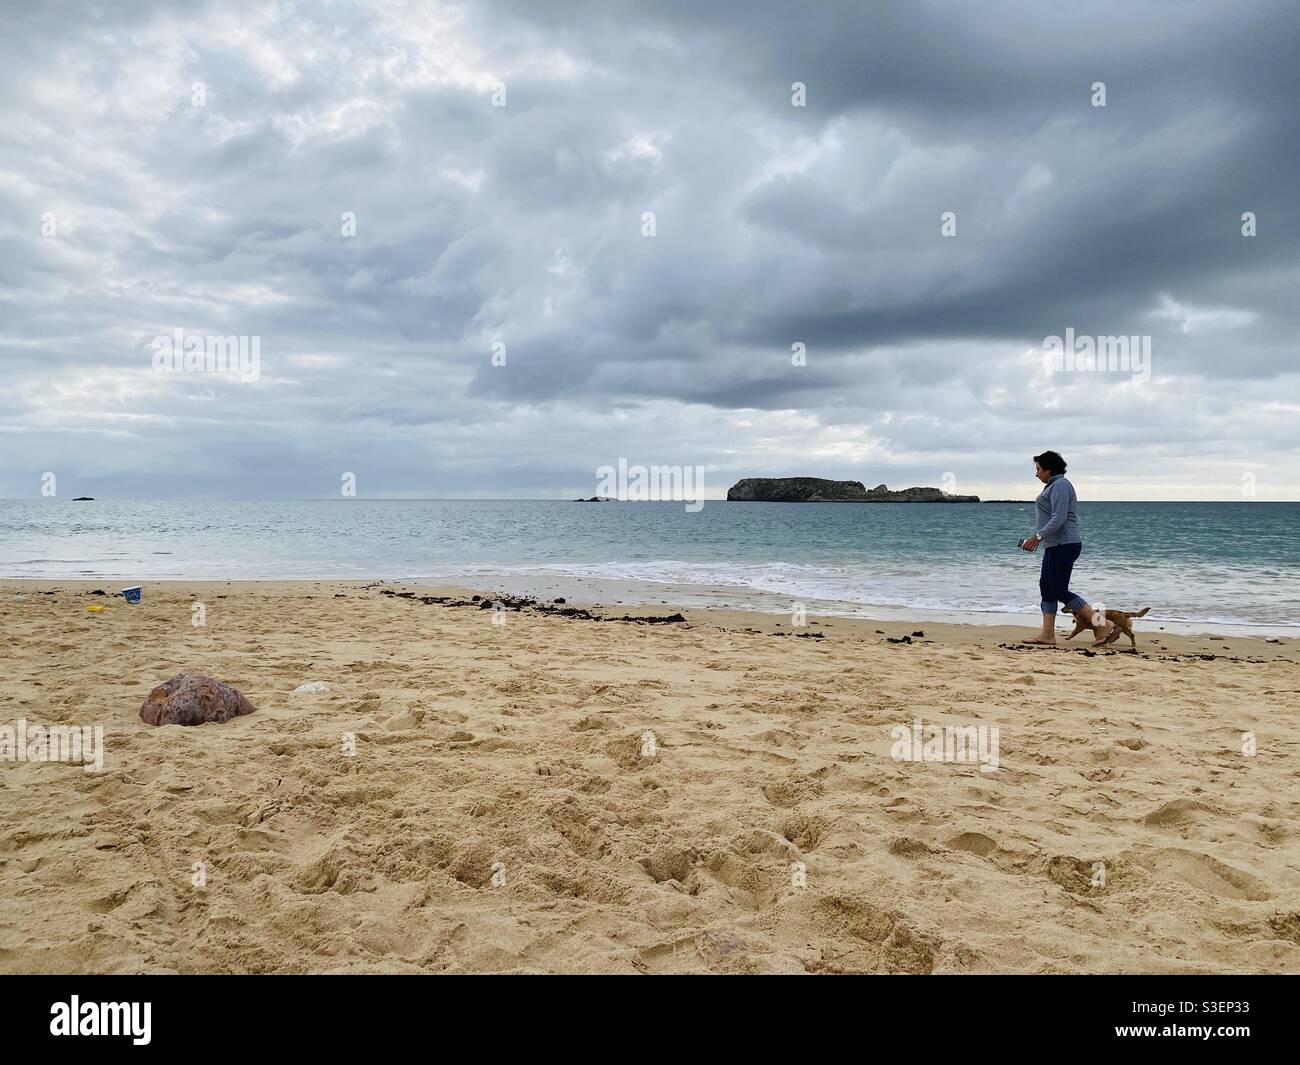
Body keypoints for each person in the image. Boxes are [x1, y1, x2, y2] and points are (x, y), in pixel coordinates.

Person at [1020, 451, 1114, 646]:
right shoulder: (1053, 486)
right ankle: (1047, 634)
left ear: (1049, 469)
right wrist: (1041, 539)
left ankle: (1103, 624)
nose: (1036, 474)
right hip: (1054, 545)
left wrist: (1037, 537)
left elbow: (1059, 517)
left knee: (1059, 591)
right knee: (1046, 590)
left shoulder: (1061, 485)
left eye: (1038, 469)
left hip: (1065, 545)